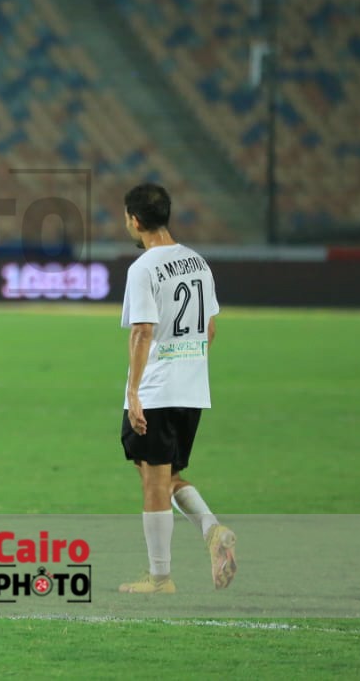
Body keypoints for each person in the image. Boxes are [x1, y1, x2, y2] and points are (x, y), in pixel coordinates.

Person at [118, 182, 236, 594]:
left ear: (135, 220)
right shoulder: (197, 262)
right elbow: (210, 328)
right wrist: (189, 365)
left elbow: (142, 332)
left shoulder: (144, 268)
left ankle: (160, 578)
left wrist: (134, 393)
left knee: (154, 483)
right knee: (165, 474)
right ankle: (212, 530)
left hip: (157, 391)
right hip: (191, 390)